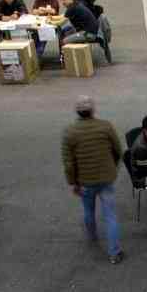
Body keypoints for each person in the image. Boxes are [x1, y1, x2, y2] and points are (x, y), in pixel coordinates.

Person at [61, 96, 124, 264]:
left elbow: (68, 163)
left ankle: (92, 237)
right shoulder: (105, 127)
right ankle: (114, 253)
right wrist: (113, 167)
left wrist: (73, 182)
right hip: (106, 179)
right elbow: (118, 149)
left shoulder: (69, 132)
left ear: (77, 111)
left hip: (85, 182)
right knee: (110, 216)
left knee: (88, 211)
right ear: (93, 110)